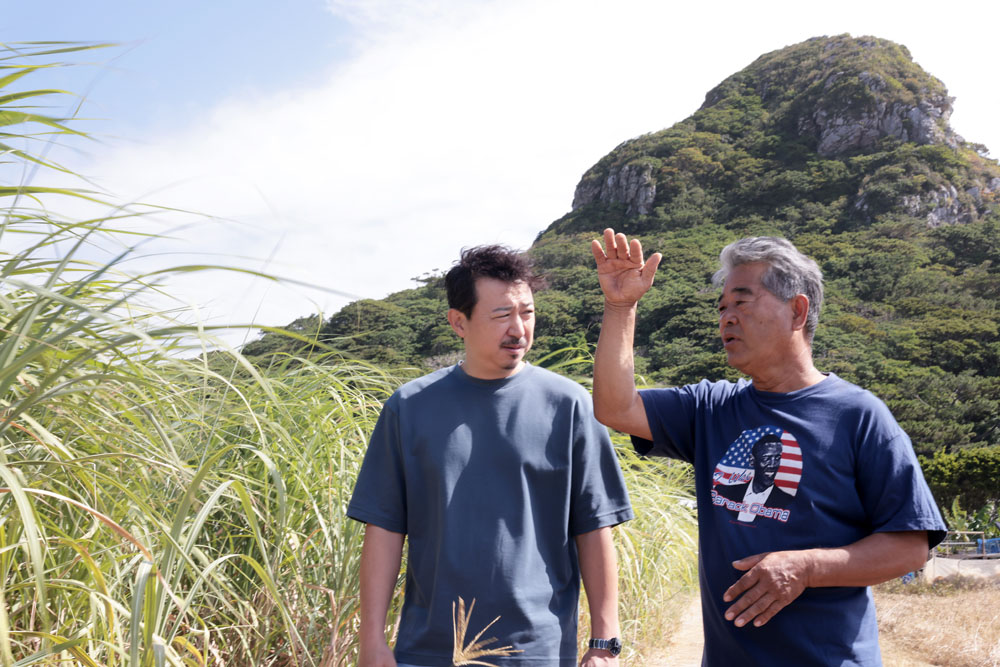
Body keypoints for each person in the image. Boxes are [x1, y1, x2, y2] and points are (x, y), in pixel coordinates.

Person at [590, 228, 946, 665]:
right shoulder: (711, 407)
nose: (726, 317)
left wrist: (806, 568)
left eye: (741, 301)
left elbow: (911, 545)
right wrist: (621, 306)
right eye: (721, 307)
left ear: (797, 311)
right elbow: (614, 406)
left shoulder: (858, 416)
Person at [348, 244, 634, 667]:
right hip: (429, 650)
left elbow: (593, 528)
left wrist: (604, 641)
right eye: (501, 315)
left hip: (540, 650)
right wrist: (371, 641)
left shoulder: (570, 406)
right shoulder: (409, 407)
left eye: (527, 312)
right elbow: (385, 529)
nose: (518, 329)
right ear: (458, 322)